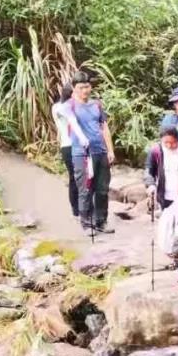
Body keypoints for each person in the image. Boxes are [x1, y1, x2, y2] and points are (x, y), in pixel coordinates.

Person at [66, 72, 115, 236]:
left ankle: (101, 221)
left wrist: (110, 150)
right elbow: (71, 125)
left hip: (101, 151)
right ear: (74, 88)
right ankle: (86, 223)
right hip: (82, 154)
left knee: (103, 189)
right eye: (81, 88)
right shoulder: (70, 106)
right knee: (85, 189)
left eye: (87, 87)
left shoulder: (97, 105)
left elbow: (104, 128)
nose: (85, 90)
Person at [51, 80, 80, 219]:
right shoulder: (59, 108)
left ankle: (82, 208)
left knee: (81, 177)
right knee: (74, 177)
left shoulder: (67, 106)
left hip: (77, 145)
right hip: (69, 145)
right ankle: (76, 210)